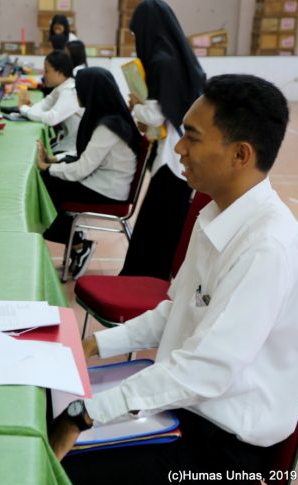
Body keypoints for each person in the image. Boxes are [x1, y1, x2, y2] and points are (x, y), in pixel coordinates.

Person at [49, 74, 298, 485]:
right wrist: (94, 346)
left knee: (59, 472)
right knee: (52, 417)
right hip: (185, 415)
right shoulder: (215, 215)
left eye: (192, 137)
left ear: (240, 154)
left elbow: (205, 370)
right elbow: (177, 309)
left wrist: (84, 416)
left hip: (224, 458)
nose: (178, 148)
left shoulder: (268, 247)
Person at [119, 0, 206, 280]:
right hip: (176, 155)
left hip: (172, 158)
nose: (135, 41)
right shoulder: (177, 58)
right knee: (162, 225)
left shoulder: (162, 61)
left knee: (157, 227)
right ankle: (146, 279)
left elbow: (157, 113)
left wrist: (135, 105)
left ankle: (142, 284)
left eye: (135, 34)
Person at [36, 67, 141, 279]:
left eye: (79, 90)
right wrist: (53, 159)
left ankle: (78, 243)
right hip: (101, 182)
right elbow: (84, 153)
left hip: (107, 190)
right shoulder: (106, 117)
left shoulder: (108, 127)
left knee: (41, 193)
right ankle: (76, 242)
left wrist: (48, 168)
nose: (76, 95)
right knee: (47, 185)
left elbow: (81, 168)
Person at [19, 50, 81, 154]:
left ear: (60, 72)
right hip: (68, 143)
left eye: (47, 71)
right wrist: (28, 110)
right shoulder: (61, 88)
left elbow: (52, 118)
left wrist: (24, 109)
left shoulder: (70, 90)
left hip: (75, 149)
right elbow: (43, 105)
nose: (44, 75)